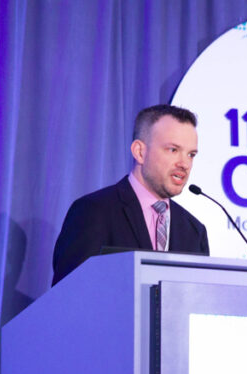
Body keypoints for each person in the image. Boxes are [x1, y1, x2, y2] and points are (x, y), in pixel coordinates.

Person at [52, 104, 210, 284]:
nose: (184, 164)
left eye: (191, 154)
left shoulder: (194, 232)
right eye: (173, 150)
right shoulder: (94, 212)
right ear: (140, 152)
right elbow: (68, 295)